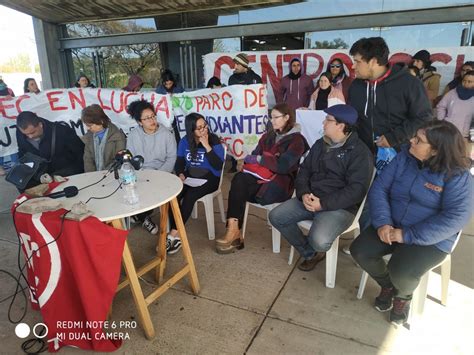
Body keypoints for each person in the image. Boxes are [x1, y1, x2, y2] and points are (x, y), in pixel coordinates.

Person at [350, 120, 472, 325]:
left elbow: (455, 218)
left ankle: (403, 297)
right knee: (360, 250)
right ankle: (387, 285)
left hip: (430, 238)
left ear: (435, 150)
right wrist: (383, 223)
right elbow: (380, 188)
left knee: (402, 270)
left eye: (419, 140)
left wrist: (407, 235)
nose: (411, 141)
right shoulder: (404, 157)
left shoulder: (458, 176)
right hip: (391, 224)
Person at [269, 104, 373, 271]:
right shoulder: (320, 143)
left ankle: (315, 247)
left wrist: (323, 204)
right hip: (310, 198)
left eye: (328, 120)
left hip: (339, 207)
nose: (323, 123)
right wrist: (303, 194)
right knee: (276, 216)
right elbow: (304, 170)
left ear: (341, 125)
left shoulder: (360, 153)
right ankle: (310, 252)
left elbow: (356, 190)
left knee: (320, 240)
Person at [215, 103, 309, 254]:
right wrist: (256, 159)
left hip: (280, 185)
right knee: (239, 179)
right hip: (260, 179)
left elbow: (283, 166)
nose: (272, 121)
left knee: (239, 186)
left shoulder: (297, 140)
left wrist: (260, 159)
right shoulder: (268, 136)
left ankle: (234, 233)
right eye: (271, 117)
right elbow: (253, 156)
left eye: (276, 117)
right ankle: (233, 231)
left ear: (287, 118)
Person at [348, 37, 432, 154]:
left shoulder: (409, 84)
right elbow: (352, 118)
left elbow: (424, 117)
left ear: (373, 61)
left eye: (357, 62)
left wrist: (394, 137)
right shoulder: (355, 86)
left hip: (398, 155)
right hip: (362, 154)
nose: (353, 66)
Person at [166, 113, 225, 254]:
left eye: (204, 126)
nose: (204, 130)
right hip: (190, 174)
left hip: (211, 177)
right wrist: (180, 173)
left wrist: (207, 146)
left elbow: (218, 166)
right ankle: (175, 231)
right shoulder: (185, 141)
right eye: (199, 128)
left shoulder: (214, 139)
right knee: (172, 196)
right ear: (191, 130)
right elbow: (180, 161)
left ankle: (173, 234)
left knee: (191, 195)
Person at [126, 99, 177, 235]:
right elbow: (132, 159)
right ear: (139, 122)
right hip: (142, 174)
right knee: (131, 189)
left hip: (163, 173)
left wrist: (159, 175)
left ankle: (170, 229)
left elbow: (171, 158)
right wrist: (143, 174)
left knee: (170, 195)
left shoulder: (167, 134)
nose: (152, 120)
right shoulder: (133, 135)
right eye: (147, 118)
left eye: (153, 116)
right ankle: (143, 217)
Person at [16, 111, 84, 179]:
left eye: (32, 132)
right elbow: (23, 154)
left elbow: (81, 154)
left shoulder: (61, 131)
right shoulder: (20, 133)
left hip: (67, 175)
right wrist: (38, 176)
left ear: (40, 124)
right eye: (26, 134)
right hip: (40, 177)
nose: (30, 136)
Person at [227, 53, 263, 173]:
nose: (235, 66)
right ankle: (234, 164)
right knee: (235, 138)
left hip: (250, 117)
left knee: (250, 139)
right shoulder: (232, 79)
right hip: (236, 115)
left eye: (237, 64)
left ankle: (250, 162)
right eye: (235, 64)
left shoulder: (256, 78)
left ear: (244, 65)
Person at [81, 104, 126, 172]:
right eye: (86, 125)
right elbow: (88, 161)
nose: (87, 128)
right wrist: (90, 177)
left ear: (101, 121)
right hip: (94, 177)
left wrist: (103, 176)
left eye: (90, 125)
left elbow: (119, 161)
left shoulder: (118, 136)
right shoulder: (88, 137)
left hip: (112, 176)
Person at [436, 70, 474, 140]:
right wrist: (441, 121)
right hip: (447, 131)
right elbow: (441, 106)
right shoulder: (453, 92)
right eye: (464, 81)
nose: (465, 83)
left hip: (465, 135)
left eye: (469, 82)